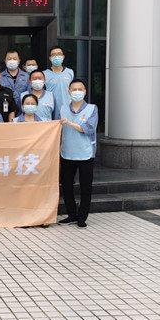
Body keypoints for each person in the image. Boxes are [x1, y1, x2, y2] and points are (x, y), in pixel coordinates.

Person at [59, 79, 98, 228]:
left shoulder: (92, 109)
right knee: (67, 186)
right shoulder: (63, 109)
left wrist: (70, 123)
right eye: (74, 89)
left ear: (85, 92)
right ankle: (71, 215)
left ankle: (82, 217)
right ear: (69, 92)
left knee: (85, 187)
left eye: (80, 89)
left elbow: (88, 129)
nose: (77, 92)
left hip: (85, 154)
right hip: (67, 153)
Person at [43, 45, 75, 113]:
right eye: (54, 54)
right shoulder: (44, 74)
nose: (56, 57)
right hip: (51, 110)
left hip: (68, 109)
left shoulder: (70, 72)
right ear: (50, 58)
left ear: (63, 56)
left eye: (59, 54)